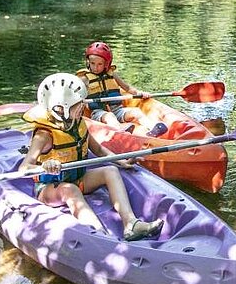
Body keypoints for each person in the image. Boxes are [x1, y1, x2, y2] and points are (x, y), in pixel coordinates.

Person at [19, 72, 164, 241]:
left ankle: (130, 224)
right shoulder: (44, 135)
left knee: (109, 170)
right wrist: (44, 167)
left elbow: (100, 151)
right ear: (61, 108)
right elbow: (25, 167)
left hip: (78, 179)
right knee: (70, 189)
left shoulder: (79, 123)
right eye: (78, 103)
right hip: (50, 189)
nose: (84, 105)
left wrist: (122, 161)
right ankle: (100, 235)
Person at [76, 41, 168, 137]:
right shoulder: (84, 79)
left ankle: (153, 129)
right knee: (110, 116)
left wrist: (140, 93)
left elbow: (127, 87)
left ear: (106, 64)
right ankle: (121, 133)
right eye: (92, 63)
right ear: (88, 62)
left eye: (100, 64)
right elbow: (74, 95)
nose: (95, 67)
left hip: (117, 110)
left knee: (136, 112)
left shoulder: (112, 74)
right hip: (99, 113)